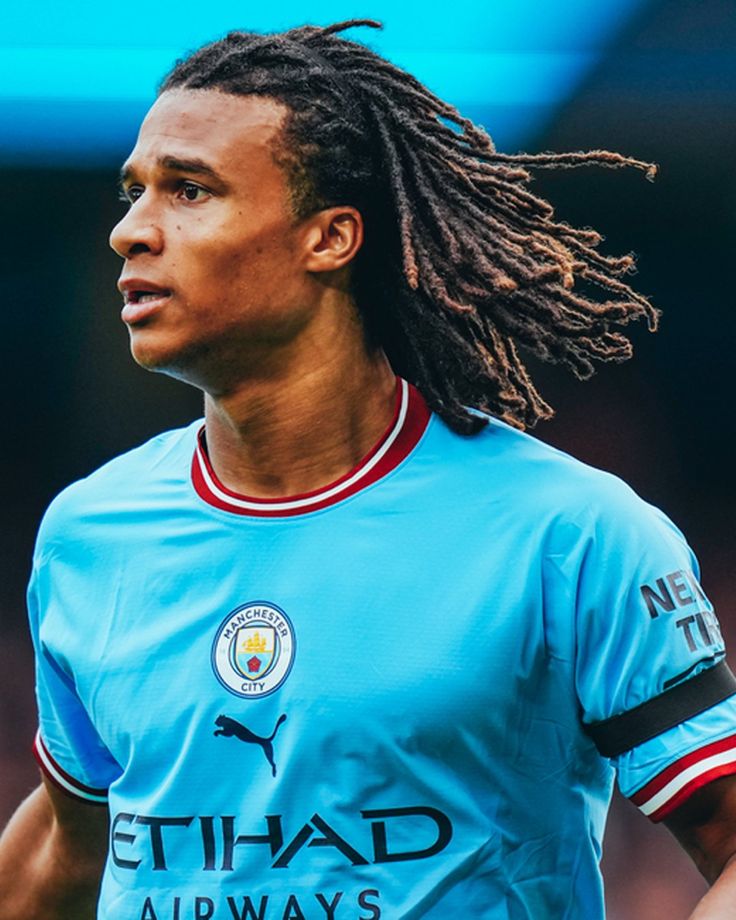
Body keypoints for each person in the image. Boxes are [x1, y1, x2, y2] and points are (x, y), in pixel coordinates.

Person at [1, 17, 735, 920]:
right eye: (134, 192)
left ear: (332, 237)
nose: (132, 231)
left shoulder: (569, 534)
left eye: (189, 191)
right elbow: (74, 840)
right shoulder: (89, 532)